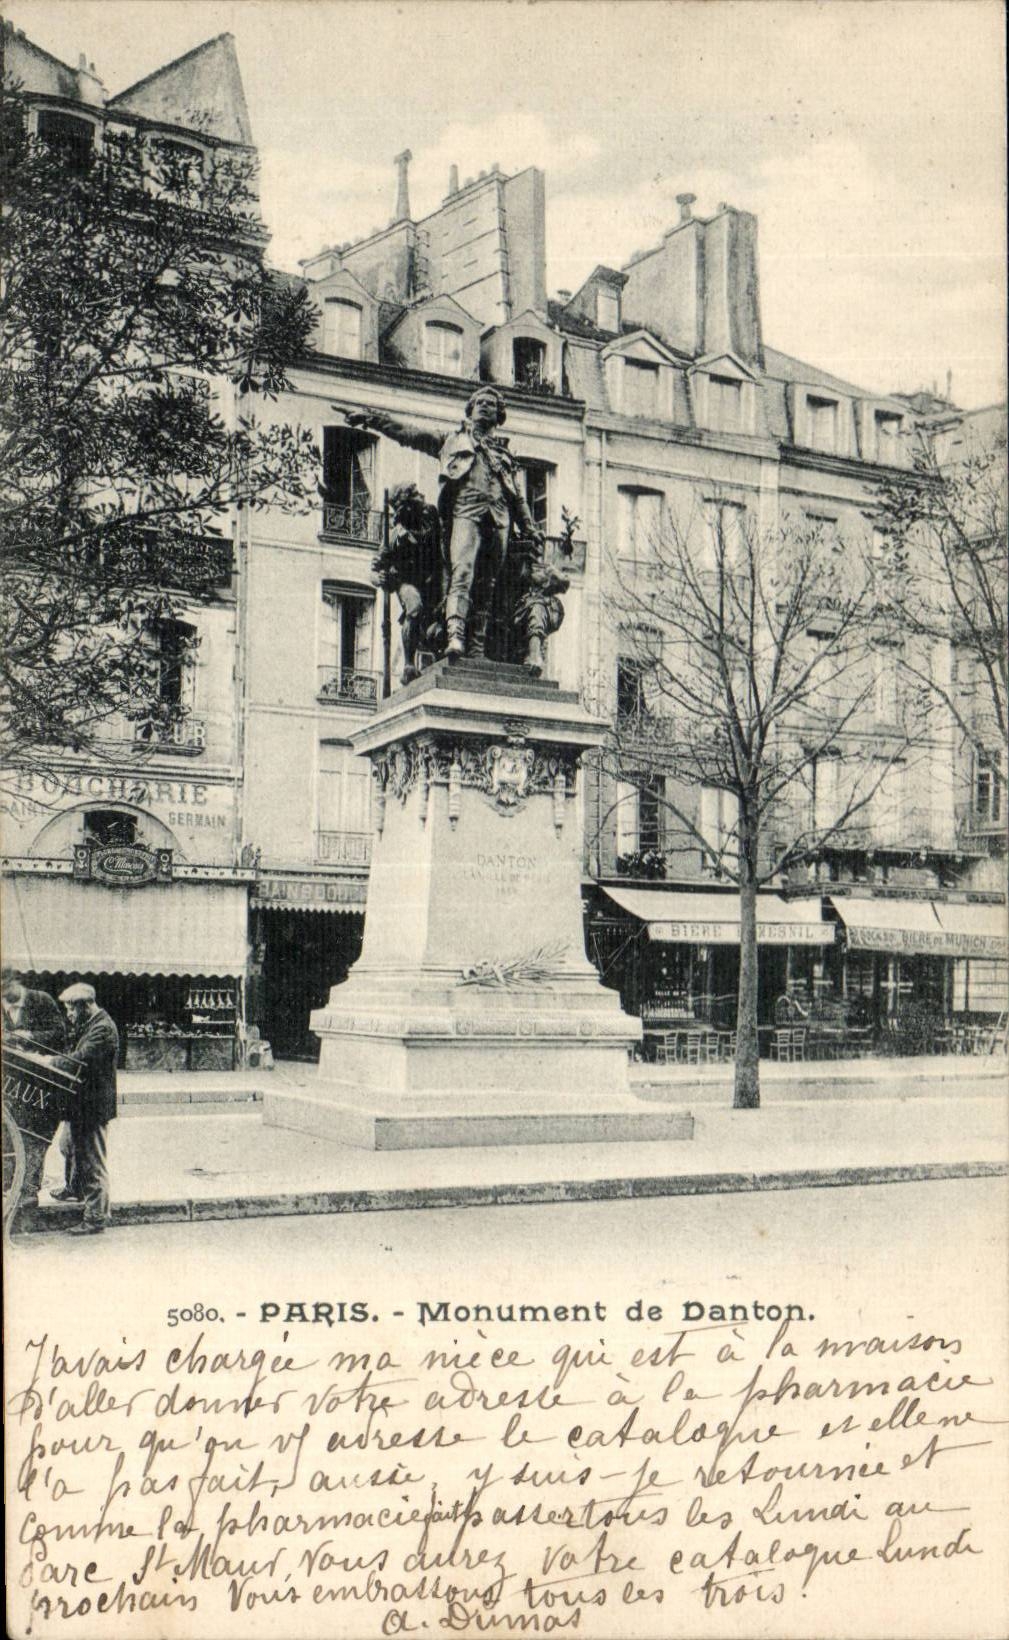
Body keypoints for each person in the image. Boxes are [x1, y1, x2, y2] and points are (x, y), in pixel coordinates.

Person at [346, 388, 544, 660]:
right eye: (480, 403)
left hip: (499, 517)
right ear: (470, 409)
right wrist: (371, 418)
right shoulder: (450, 440)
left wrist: (529, 526)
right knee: (462, 574)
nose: (485, 407)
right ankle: (455, 637)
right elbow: (409, 433)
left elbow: (517, 495)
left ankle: (476, 648)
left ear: (499, 415)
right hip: (466, 512)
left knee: (488, 584)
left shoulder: (504, 454)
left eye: (491, 404)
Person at [58, 982, 119, 1235]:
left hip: (93, 1106)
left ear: (86, 1005)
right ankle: (74, 1189)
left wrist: (48, 1061)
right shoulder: (90, 1024)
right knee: (68, 1146)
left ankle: (96, 1218)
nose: (69, 1014)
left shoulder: (103, 1028)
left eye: (72, 1009)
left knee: (93, 1163)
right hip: (82, 1103)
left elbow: (79, 1059)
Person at [371, 482, 445, 681]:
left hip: (432, 580)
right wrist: (379, 577)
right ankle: (408, 664)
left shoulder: (431, 518)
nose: (421, 495)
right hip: (406, 581)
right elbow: (375, 568)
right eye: (415, 495)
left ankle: (439, 657)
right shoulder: (396, 535)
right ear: (407, 505)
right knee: (414, 606)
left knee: (439, 622)